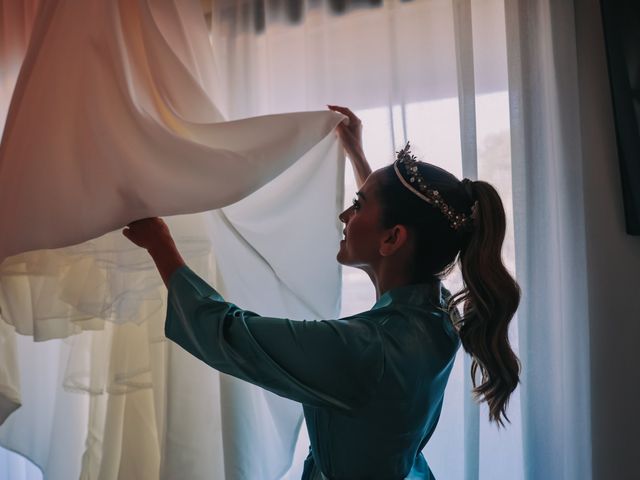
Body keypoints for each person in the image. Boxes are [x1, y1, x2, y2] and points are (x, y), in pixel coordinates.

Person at [122, 106, 521, 480]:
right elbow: (394, 252)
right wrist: (357, 154)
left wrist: (160, 243)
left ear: (392, 238)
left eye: (358, 205)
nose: (345, 216)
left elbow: (228, 334)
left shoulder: (365, 349)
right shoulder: (435, 314)